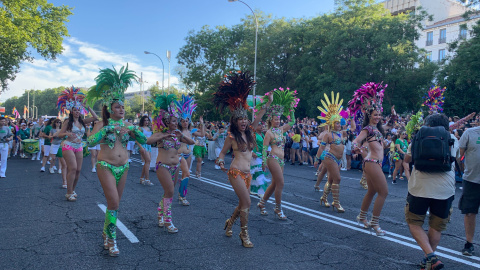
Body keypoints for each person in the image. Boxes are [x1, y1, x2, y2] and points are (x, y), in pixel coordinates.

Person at [87, 64, 147, 256]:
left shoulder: (128, 124)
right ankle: (112, 239)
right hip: (106, 165)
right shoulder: (101, 124)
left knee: (115, 205)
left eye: (123, 106)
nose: (122, 109)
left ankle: (106, 233)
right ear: (110, 109)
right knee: (113, 202)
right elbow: (90, 142)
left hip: (124, 167)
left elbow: (145, 140)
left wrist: (133, 130)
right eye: (118, 107)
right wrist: (107, 130)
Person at [214, 71, 271, 248]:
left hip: (248, 174)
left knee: (242, 203)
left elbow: (260, 116)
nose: (243, 122)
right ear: (235, 121)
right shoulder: (231, 136)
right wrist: (220, 160)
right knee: (247, 202)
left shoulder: (250, 133)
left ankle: (229, 223)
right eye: (240, 120)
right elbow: (223, 153)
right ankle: (244, 234)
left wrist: (268, 103)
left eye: (245, 119)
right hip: (236, 172)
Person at [403, 113, 454, 270]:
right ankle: (429, 260)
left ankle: (430, 257)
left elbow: (407, 159)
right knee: (436, 226)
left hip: (420, 189)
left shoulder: (419, 137)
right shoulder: (453, 139)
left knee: (414, 223)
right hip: (445, 190)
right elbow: (455, 157)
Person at [147, 94, 195, 233]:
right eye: (174, 121)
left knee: (168, 192)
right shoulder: (159, 133)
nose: (176, 123)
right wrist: (163, 136)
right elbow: (148, 141)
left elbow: (192, 142)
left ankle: (160, 212)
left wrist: (182, 136)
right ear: (167, 122)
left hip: (176, 166)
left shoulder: (178, 134)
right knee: (170, 191)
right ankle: (168, 221)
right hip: (163, 166)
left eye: (176, 121)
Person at [350, 82, 390, 236]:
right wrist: (356, 147)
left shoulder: (377, 130)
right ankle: (374, 222)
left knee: (372, 191)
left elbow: (380, 147)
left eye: (379, 115)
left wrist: (385, 145)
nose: (378, 117)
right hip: (371, 162)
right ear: (369, 115)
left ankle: (361, 216)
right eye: (375, 115)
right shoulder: (367, 129)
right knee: (384, 192)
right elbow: (356, 140)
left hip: (376, 163)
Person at [256, 87, 298, 219]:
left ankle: (262, 203)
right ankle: (278, 208)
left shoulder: (281, 130)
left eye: (279, 119)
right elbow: (264, 148)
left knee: (275, 184)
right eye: (275, 119)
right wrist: (263, 162)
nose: (278, 121)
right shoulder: (269, 133)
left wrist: (291, 110)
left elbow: (291, 122)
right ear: (271, 120)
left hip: (281, 160)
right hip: (272, 158)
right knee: (281, 183)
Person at [314, 92, 355, 213]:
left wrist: (351, 116)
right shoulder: (328, 134)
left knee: (331, 180)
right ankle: (336, 203)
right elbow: (321, 148)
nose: (339, 124)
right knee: (338, 179)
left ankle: (324, 198)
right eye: (337, 123)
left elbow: (352, 128)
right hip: (330, 157)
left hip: (338, 159)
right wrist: (317, 159)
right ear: (332, 124)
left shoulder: (341, 133)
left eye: (339, 122)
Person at [57, 86, 98, 201]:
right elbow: (60, 134)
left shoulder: (82, 121)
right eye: (75, 110)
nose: (77, 112)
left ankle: (72, 190)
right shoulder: (67, 121)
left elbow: (95, 117)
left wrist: (87, 106)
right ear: (71, 111)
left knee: (79, 170)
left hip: (79, 146)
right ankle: (68, 193)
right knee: (73, 168)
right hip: (68, 145)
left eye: (78, 110)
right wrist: (67, 134)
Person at [459, 116, 480, 257]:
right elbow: (460, 156)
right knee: (469, 212)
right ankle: (469, 243)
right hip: (472, 180)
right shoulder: (469, 133)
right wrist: (464, 170)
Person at [175, 95, 201, 205]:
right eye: (183, 120)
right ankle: (182, 196)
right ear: (180, 121)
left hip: (188, 155)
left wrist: (202, 123)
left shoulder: (191, 131)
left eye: (187, 120)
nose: (185, 122)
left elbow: (203, 134)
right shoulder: (177, 131)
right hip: (179, 155)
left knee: (185, 175)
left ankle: (181, 195)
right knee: (186, 173)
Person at [249, 122, 271, 197]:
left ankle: (253, 190)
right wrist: (251, 152)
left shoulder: (263, 134)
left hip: (262, 155)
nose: (261, 126)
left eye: (261, 124)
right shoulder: (253, 135)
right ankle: (261, 191)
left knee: (255, 174)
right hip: (255, 155)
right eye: (259, 125)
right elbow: (248, 144)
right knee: (259, 172)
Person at [138, 116, 154, 186]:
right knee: (148, 161)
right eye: (145, 120)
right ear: (142, 121)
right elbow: (136, 138)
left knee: (147, 162)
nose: (146, 122)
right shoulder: (140, 129)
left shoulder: (150, 128)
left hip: (149, 146)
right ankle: (147, 179)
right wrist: (141, 147)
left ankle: (142, 178)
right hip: (143, 146)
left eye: (147, 120)